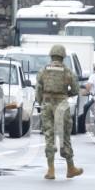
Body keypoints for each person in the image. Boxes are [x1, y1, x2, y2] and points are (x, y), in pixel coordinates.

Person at [36, 44, 84, 180]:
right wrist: (65, 94)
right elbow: (75, 90)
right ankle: (70, 168)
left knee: (49, 136)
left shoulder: (43, 70)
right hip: (62, 105)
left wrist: (42, 102)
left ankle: (51, 170)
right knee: (64, 137)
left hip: (46, 105)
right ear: (63, 56)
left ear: (51, 55)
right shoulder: (67, 71)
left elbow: (38, 89)